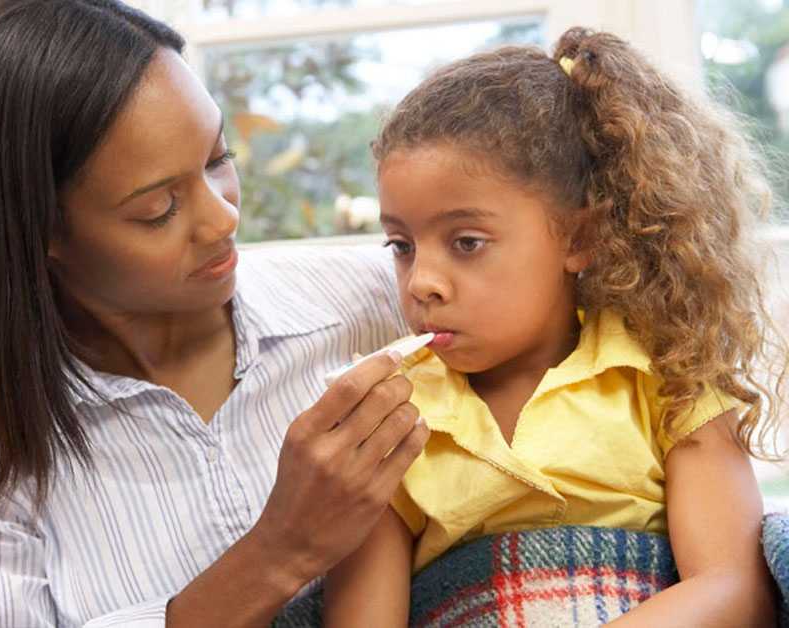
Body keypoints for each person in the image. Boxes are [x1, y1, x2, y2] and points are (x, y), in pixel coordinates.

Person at [0, 1, 430, 626]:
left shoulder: (376, 303)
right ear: (42, 230)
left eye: (217, 160)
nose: (223, 217)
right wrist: (282, 550)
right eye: (158, 209)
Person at [323, 28, 786, 626]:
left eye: (467, 242)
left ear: (580, 237)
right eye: (402, 245)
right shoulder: (389, 425)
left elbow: (733, 590)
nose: (421, 282)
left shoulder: (670, 377)